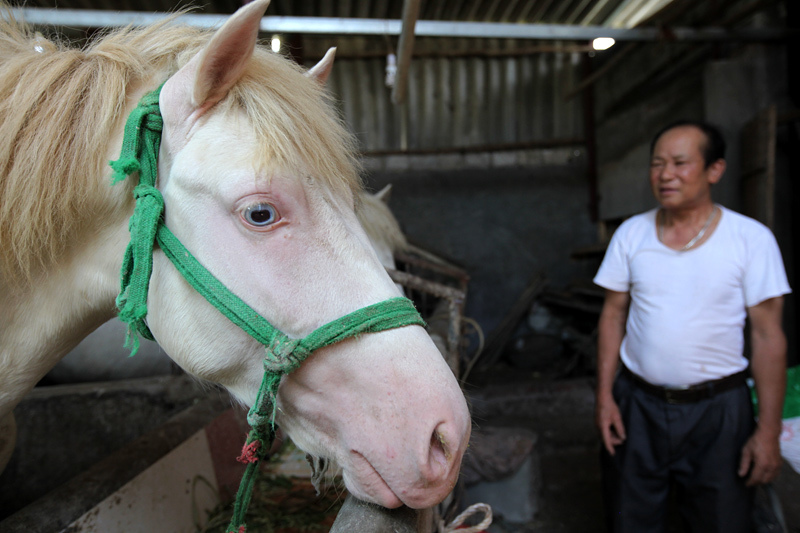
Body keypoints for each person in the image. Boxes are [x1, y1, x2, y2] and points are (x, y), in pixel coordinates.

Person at [593, 120, 791, 533]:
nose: (666, 174)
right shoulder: (631, 234)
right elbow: (612, 315)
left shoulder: (750, 239)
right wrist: (605, 397)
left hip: (720, 412)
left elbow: (768, 335)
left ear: (714, 170)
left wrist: (768, 431)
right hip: (638, 405)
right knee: (630, 518)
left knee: (721, 521)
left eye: (680, 163)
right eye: (657, 163)